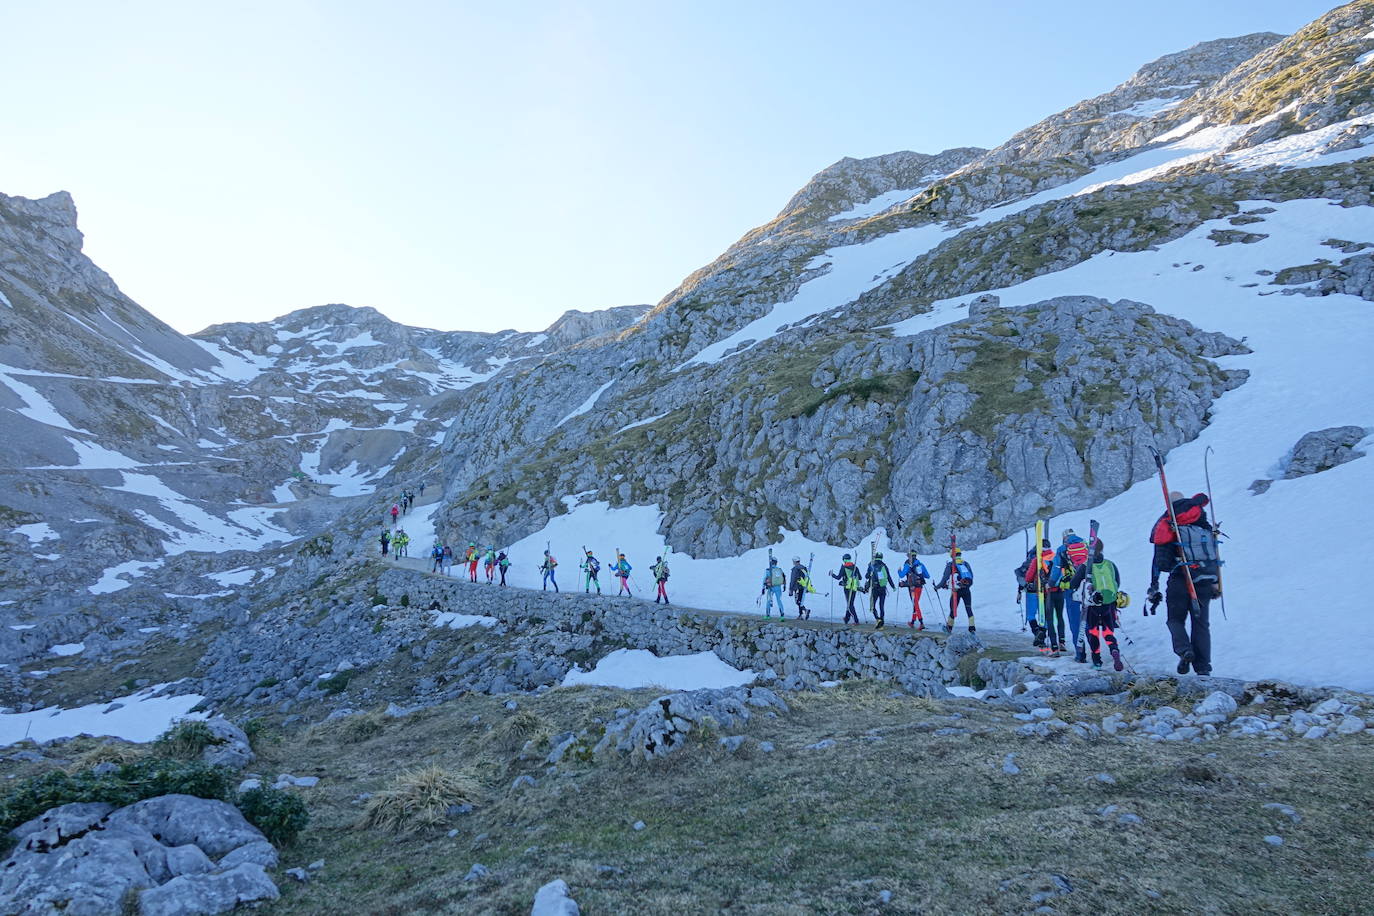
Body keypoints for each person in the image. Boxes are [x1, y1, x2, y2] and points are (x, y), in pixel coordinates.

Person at [1149, 491, 1219, 675]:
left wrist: (1154, 584)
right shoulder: (1202, 521)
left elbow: (1160, 562)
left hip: (1179, 579)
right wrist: (1216, 582)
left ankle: (1184, 650)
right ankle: (1203, 669)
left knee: (1175, 620)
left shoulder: (1168, 524)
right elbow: (1214, 553)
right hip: (1204, 579)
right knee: (1201, 624)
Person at [1072, 537, 1124, 671]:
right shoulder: (1110, 564)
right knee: (1108, 630)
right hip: (1109, 603)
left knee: (1093, 632)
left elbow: (1073, 583)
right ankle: (1114, 650)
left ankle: (1097, 661)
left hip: (1092, 604)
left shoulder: (1086, 566)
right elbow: (1117, 582)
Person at [1050, 529, 1090, 662]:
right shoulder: (1087, 544)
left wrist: (1051, 583)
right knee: (1088, 618)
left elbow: (1056, 570)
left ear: (1064, 538)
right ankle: (1095, 653)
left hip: (1071, 587)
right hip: (1088, 586)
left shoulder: (1062, 549)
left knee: (1075, 621)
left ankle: (1080, 654)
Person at [1024, 539, 1061, 654]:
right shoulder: (1056, 557)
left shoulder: (1037, 559)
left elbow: (1028, 577)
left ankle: (1038, 635)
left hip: (1035, 590)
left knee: (1031, 615)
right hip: (1051, 591)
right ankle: (1043, 632)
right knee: (1045, 615)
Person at [937, 548, 975, 634]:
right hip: (966, 590)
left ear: (951, 555)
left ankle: (949, 628)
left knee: (953, 609)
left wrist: (937, 587)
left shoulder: (951, 565)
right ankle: (972, 628)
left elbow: (944, 578)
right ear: (960, 554)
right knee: (968, 608)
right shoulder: (966, 564)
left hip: (956, 591)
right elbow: (971, 577)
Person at [899, 550, 929, 630]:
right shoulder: (920, 565)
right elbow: (927, 576)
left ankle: (921, 622)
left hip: (912, 588)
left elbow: (901, 575)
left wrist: (899, 571)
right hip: (920, 587)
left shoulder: (908, 565)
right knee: (915, 604)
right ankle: (912, 621)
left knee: (915, 604)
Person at [830, 554, 863, 625]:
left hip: (847, 588)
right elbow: (860, 578)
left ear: (844, 560)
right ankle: (847, 618)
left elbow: (838, 577)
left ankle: (856, 620)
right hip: (854, 587)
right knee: (850, 603)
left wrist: (832, 574)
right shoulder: (855, 567)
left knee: (850, 604)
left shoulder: (844, 567)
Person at [865, 550, 894, 629]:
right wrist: (893, 586)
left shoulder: (872, 565)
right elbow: (889, 577)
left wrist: (870, 572)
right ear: (882, 558)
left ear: (875, 557)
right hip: (883, 588)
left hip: (875, 588)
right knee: (881, 605)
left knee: (872, 605)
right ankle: (882, 621)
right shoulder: (884, 566)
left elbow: (867, 576)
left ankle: (877, 619)